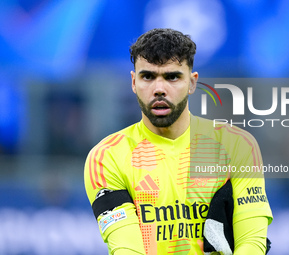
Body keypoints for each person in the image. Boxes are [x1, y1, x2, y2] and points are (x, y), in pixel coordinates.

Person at [84, 28, 273, 255]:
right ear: (133, 82)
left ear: (192, 83)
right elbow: (127, 249)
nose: (159, 89)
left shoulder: (236, 146)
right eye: (148, 77)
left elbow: (252, 243)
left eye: (172, 77)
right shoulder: (107, 157)